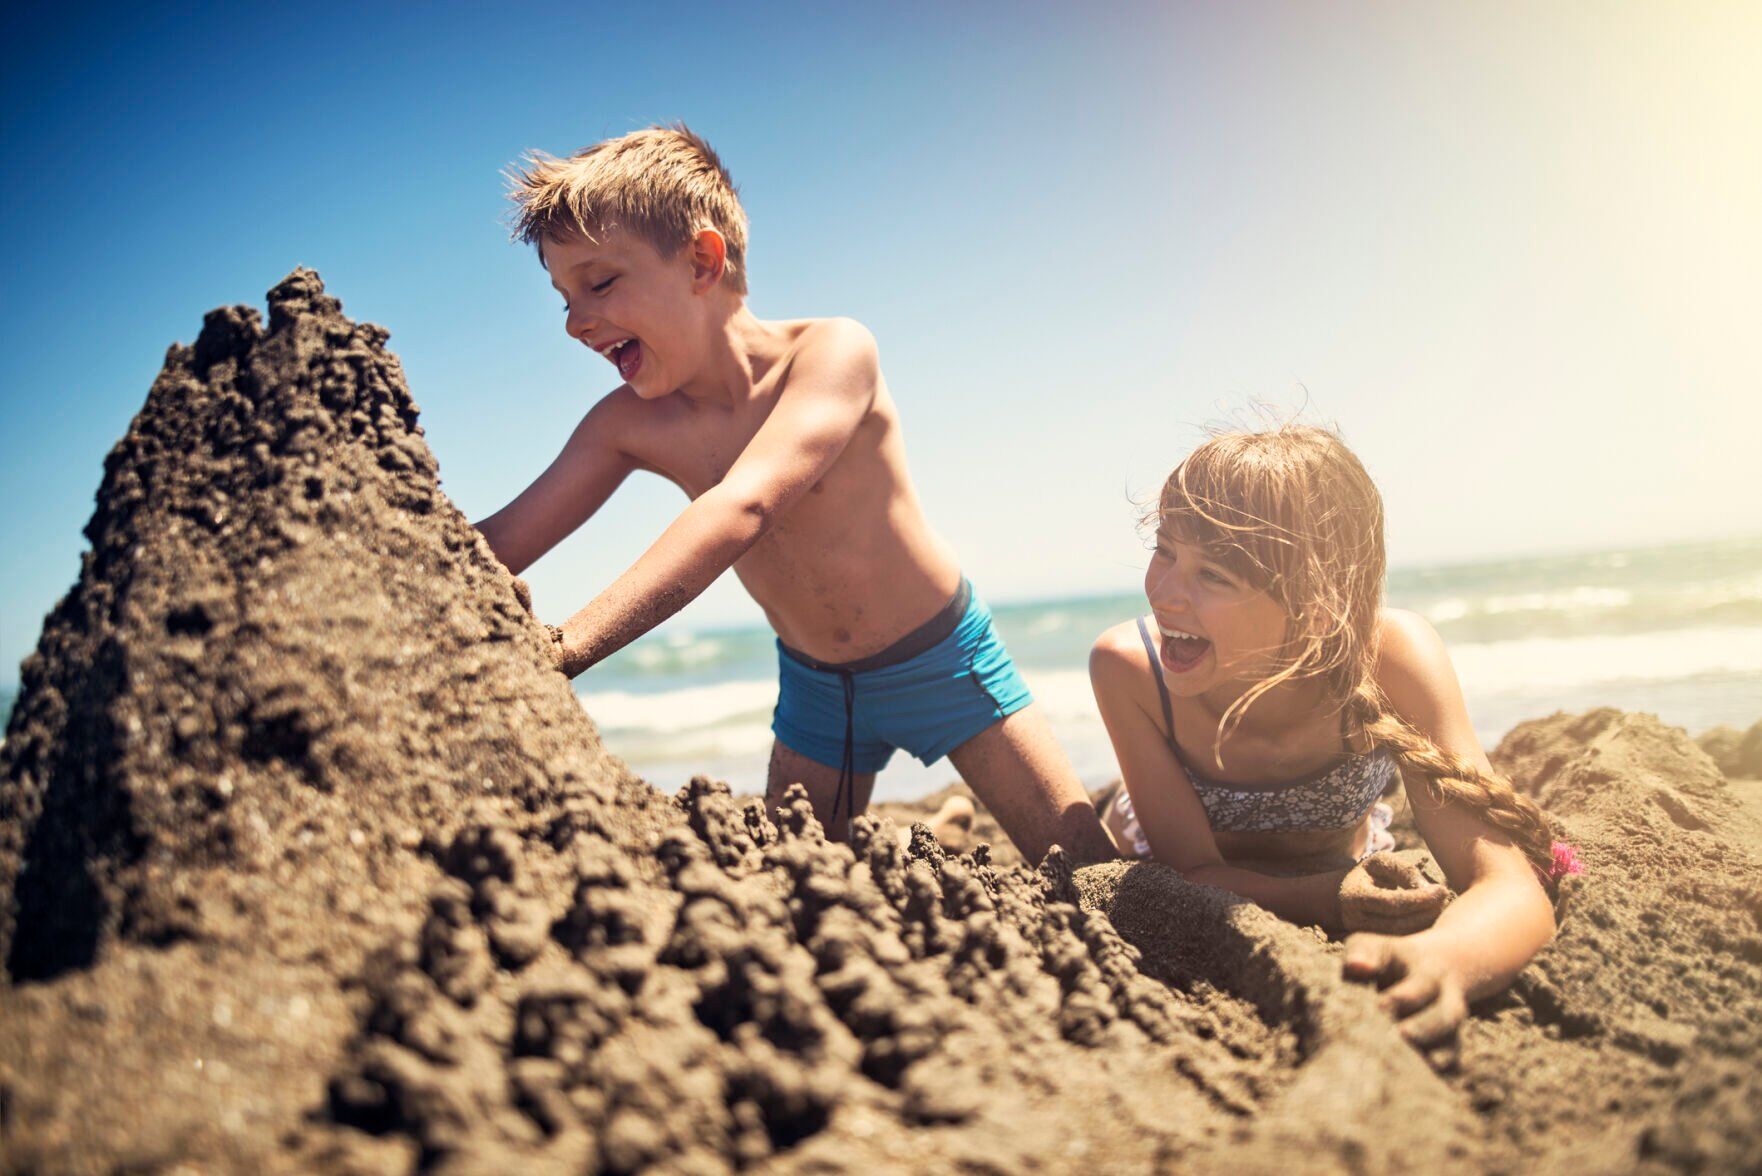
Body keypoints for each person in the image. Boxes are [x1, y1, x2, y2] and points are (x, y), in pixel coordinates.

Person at [476, 125, 1113, 864]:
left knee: (1083, 866)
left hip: (941, 658)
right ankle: (939, 831)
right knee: (794, 872)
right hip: (817, 688)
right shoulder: (628, 425)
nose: (574, 321)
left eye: (600, 282)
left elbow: (744, 505)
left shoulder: (832, 353)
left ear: (702, 261)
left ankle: (964, 827)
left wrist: (566, 645)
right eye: (562, 296)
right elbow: (503, 539)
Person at [1088, 424, 1570, 1045]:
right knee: (1102, 814)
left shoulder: (1394, 657)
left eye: (1213, 575)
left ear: (1317, 606)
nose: (1164, 593)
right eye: (1164, 551)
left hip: (1326, 862)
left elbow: (1508, 884)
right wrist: (1328, 895)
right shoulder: (1130, 670)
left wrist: (1447, 956)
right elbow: (1192, 872)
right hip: (1153, 834)